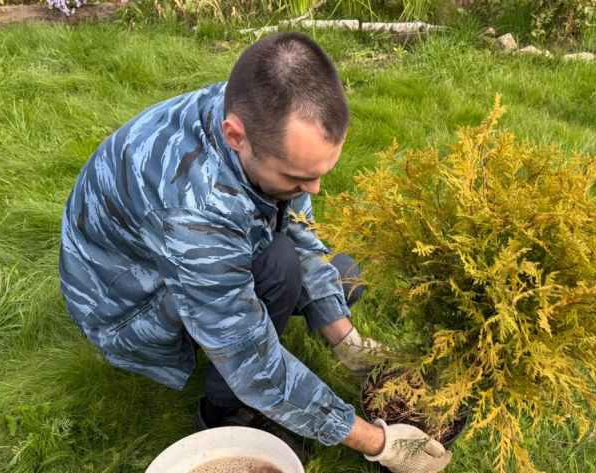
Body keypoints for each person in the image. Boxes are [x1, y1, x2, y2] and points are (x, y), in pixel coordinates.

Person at [58, 32, 452, 473]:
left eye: (320, 173)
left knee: (342, 274)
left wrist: (348, 344)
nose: (313, 189)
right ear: (236, 136)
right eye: (297, 176)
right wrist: (379, 442)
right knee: (279, 268)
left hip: (186, 257)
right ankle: (222, 411)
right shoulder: (193, 211)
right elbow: (252, 362)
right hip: (125, 309)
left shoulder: (251, 114)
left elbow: (298, 229)